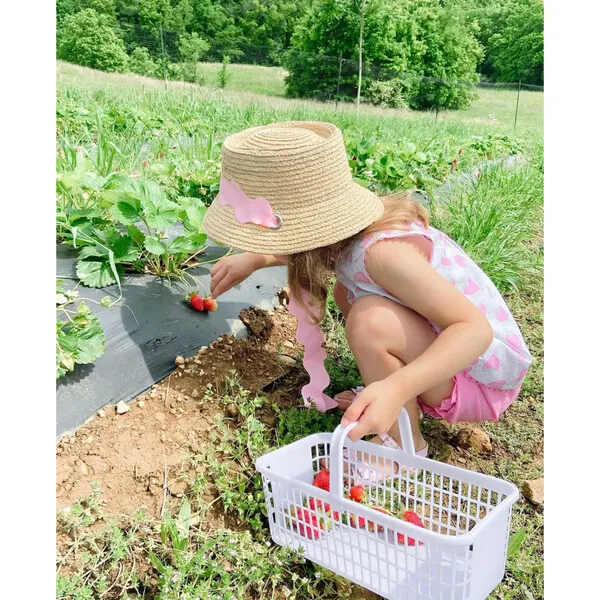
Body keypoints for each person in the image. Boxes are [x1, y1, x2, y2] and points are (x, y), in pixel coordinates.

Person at [203, 120, 531, 482]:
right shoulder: (348, 238)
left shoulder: (383, 255)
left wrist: (396, 388)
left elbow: (474, 330)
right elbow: (313, 249)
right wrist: (257, 258)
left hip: (479, 376)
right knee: (353, 298)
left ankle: (402, 446)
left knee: (369, 321)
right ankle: (394, 395)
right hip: (448, 358)